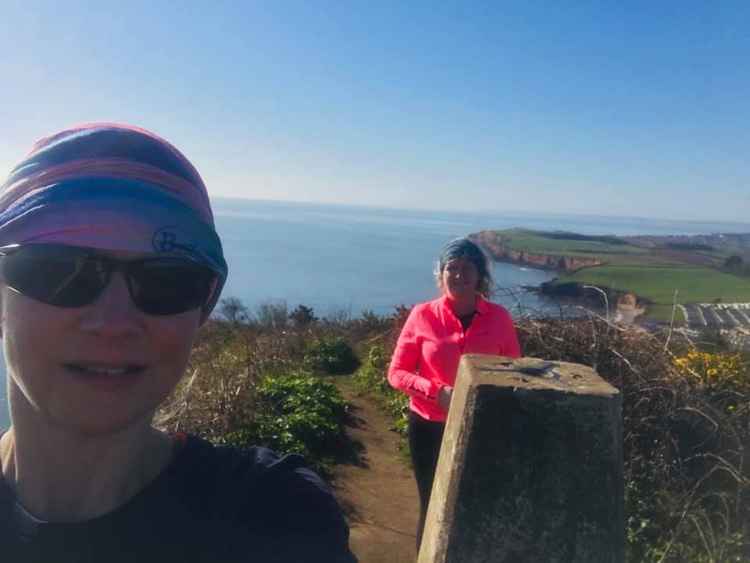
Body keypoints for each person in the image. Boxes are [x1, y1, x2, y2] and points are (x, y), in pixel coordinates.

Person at [0, 124, 355, 562]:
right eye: (58, 272)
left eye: (168, 281)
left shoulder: (274, 518)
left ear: (203, 308)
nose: (114, 321)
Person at [388, 237, 521, 549]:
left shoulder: (499, 318)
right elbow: (397, 373)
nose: (459, 275)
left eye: (467, 268)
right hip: (429, 425)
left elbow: (513, 371)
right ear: (441, 273)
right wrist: (436, 392)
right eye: (452, 268)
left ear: (480, 276)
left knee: (473, 502)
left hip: (481, 426)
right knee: (432, 503)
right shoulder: (422, 315)